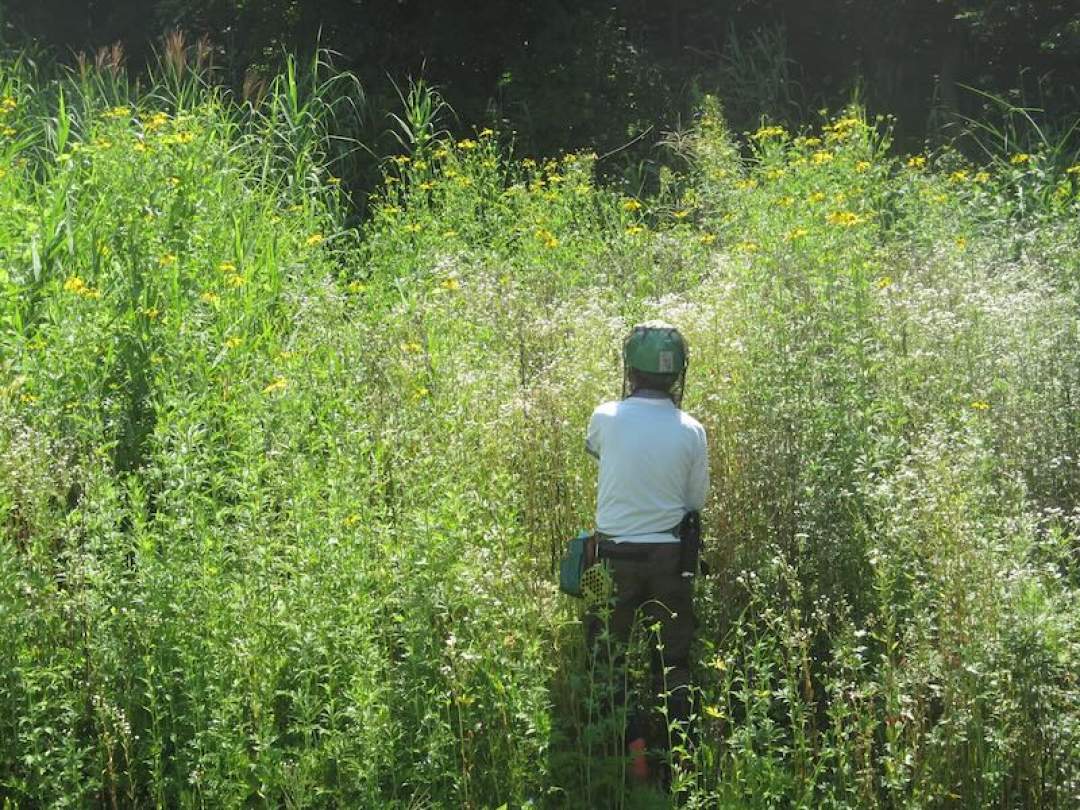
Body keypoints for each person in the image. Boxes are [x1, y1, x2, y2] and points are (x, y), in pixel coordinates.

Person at [585, 320, 709, 784]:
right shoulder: (692, 430)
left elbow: (596, 450)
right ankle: (678, 760)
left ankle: (629, 757)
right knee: (673, 660)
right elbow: (695, 503)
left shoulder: (605, 416)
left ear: (629, 371)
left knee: (608, 656)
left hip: (614, 558)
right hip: (669, 562)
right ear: (677, 375)